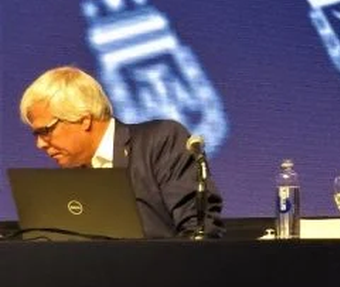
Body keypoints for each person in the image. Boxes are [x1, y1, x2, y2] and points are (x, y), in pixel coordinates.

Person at [19, 66, 224, 238]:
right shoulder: (66, 180)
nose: (40, 144)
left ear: (84, 119)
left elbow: (198, 229)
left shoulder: (161, 141)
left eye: (45, 131)